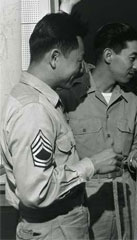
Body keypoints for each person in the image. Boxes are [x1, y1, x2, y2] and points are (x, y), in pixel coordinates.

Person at [0, 13, 122, 240]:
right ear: (55, 58)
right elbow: (37, 191)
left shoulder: (33, 98)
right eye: (78, 61)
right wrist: (92, 165)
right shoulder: (34, 110)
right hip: (55, 229)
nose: (82, 68)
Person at [58, 22, 137, 240]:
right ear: (109, 55)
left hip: (127, 206)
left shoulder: (133, 103)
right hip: (85, 209)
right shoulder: (69, 99)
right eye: (132, 58)